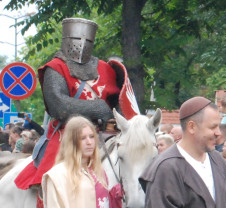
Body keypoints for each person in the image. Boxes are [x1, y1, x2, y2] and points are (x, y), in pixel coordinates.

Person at [17, 18, 138, 193]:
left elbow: (119, 100)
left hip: (105, 133)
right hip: (66, 134)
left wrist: (116, 117)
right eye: (76, 40)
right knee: (52, 181)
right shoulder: (56, 68)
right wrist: (97, 108)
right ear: (66, 39)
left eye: (87, 41)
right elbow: (60, 107)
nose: (81, 45)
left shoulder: (105, 69)